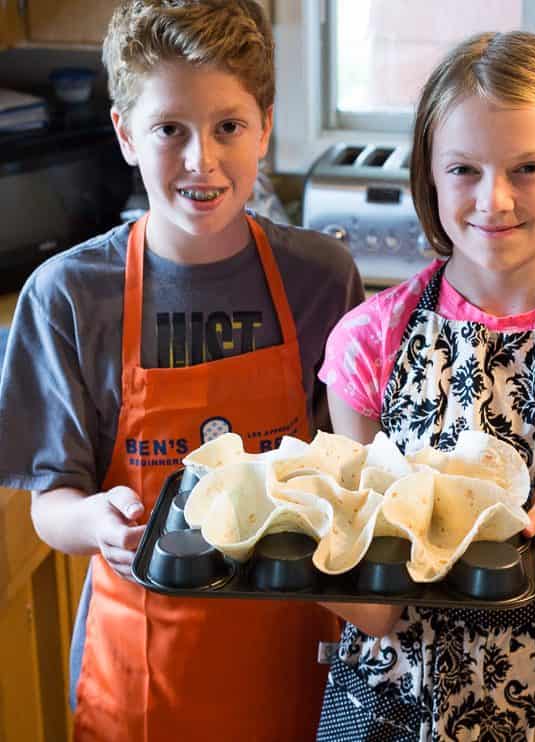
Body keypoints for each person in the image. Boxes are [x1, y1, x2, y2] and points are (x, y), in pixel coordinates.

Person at [0, 1, 364, 739]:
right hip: (142, 678)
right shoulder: (70, 295)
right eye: (171, 129)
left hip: (294, 663)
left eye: (228, 126)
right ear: (125, 133)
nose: (202, 159)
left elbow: (353, 476)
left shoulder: (319, 278)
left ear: (264, 125)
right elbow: (51, 502)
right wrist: (92, 523)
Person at [315, 31, 535, 741]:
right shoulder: (369, 345)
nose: (494, 199)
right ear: (429, 168)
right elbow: (379, 612)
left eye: (527, 167)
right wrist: (297, 555)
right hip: (394, 710)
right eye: (464, 170)